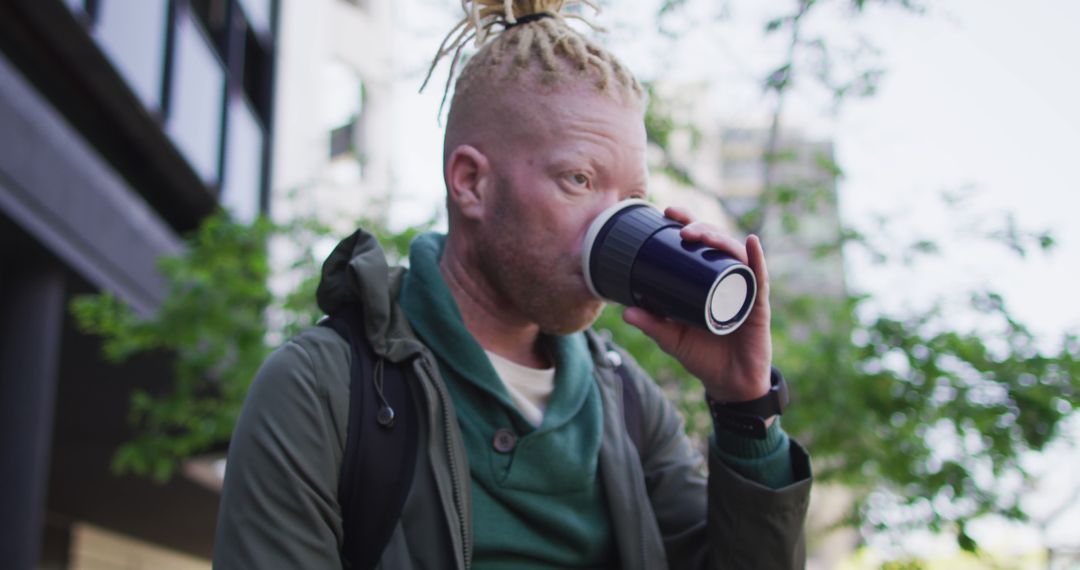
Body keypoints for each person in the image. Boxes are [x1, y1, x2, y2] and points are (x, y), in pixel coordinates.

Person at [214, 1, 812, 568]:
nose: (617, 224)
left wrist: (744, 410)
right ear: (470, 182)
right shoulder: (324, 389)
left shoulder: (627, 403)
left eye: (633, 198)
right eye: (578, 179)